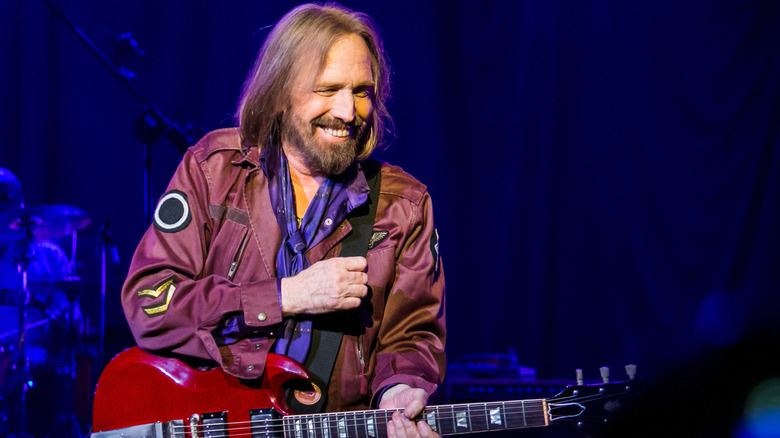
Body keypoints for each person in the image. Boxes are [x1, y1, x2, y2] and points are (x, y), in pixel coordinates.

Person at [121, 3, 445, 437]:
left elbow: (412, 336)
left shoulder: (403, 205)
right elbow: (149, 302)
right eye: (328, 90)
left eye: (362, 91)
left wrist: (399, 387)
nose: (349, 112)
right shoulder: (214, 170)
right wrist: (286, 295)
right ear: (280, 90)